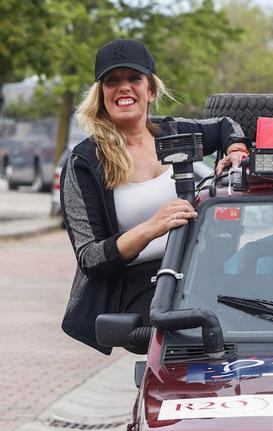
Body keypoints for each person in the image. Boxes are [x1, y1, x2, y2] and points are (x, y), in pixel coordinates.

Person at [60, 38, 249, 354]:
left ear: (150, 90)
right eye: (112, 80)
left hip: (200, 269)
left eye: (134, 78)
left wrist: (236, 148)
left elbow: (226, 125)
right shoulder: (85, 162)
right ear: (101, 94)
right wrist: (152, 227)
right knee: (191, 334)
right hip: (141, 286)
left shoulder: (175, 132)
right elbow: (90, 257)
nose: (124, 87)